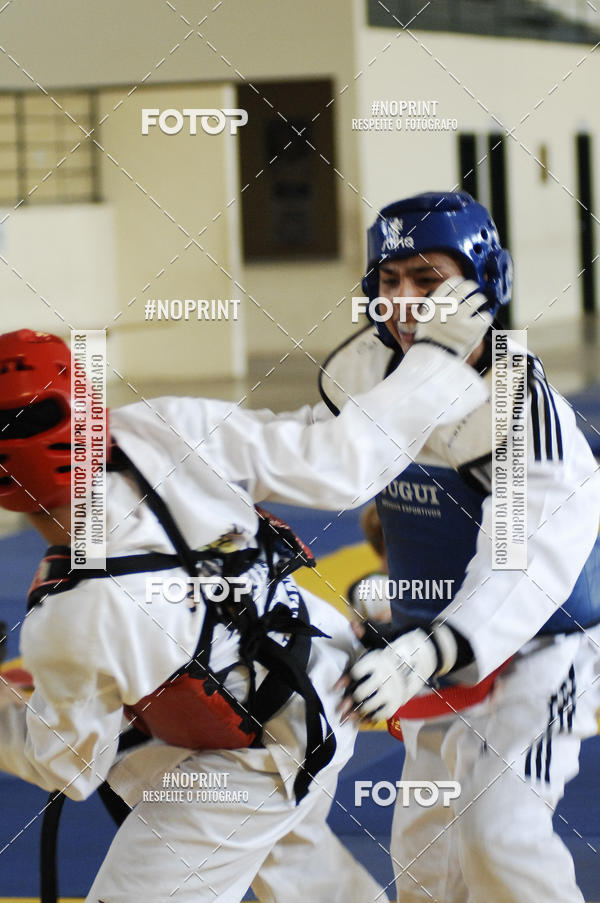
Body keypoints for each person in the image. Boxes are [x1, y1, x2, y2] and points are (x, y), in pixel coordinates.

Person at [0, 318, 487, 903]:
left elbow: (69, 766)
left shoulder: (73, 615)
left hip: (252, 761)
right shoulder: (160, 427)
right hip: (325, 674)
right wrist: (438, 354)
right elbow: (338, 458)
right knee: (301, 872)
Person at [322, 191, 600, 902]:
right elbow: (371, 491)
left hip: (543, 648)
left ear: (486, 285)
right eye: (390, 282)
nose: (406, 302)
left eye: (429, 281)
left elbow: (519, 565)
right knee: (426, 861)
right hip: (433, 648)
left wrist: (423, 650)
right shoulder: (365, 375)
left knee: (498, 837)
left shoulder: (517, 404)